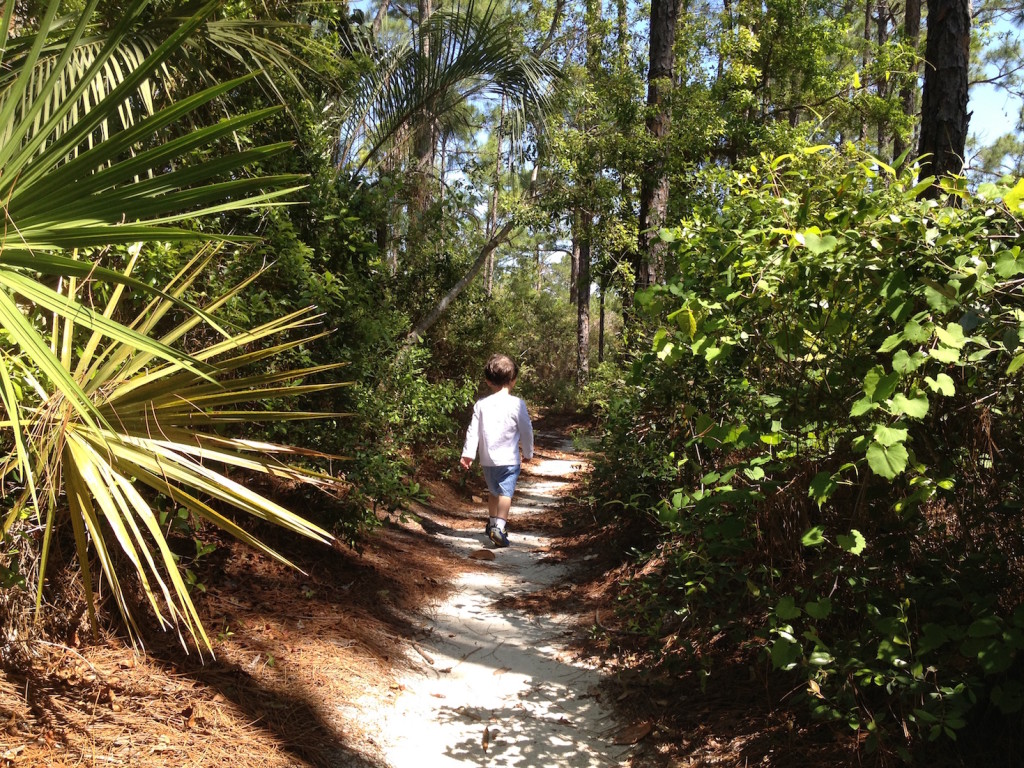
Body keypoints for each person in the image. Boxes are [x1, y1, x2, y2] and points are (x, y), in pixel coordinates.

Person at [460, 354, 534, 548]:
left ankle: (492, 524)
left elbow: (472, 431)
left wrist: (468, 453)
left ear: (488, 380)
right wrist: (528, 452)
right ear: (513, 380)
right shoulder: (517, 404)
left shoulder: (481, 405)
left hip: (487, 460)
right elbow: (526, 430)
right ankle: (499, 528)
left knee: (493, 491)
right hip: (509, 460)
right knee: (505, 494)